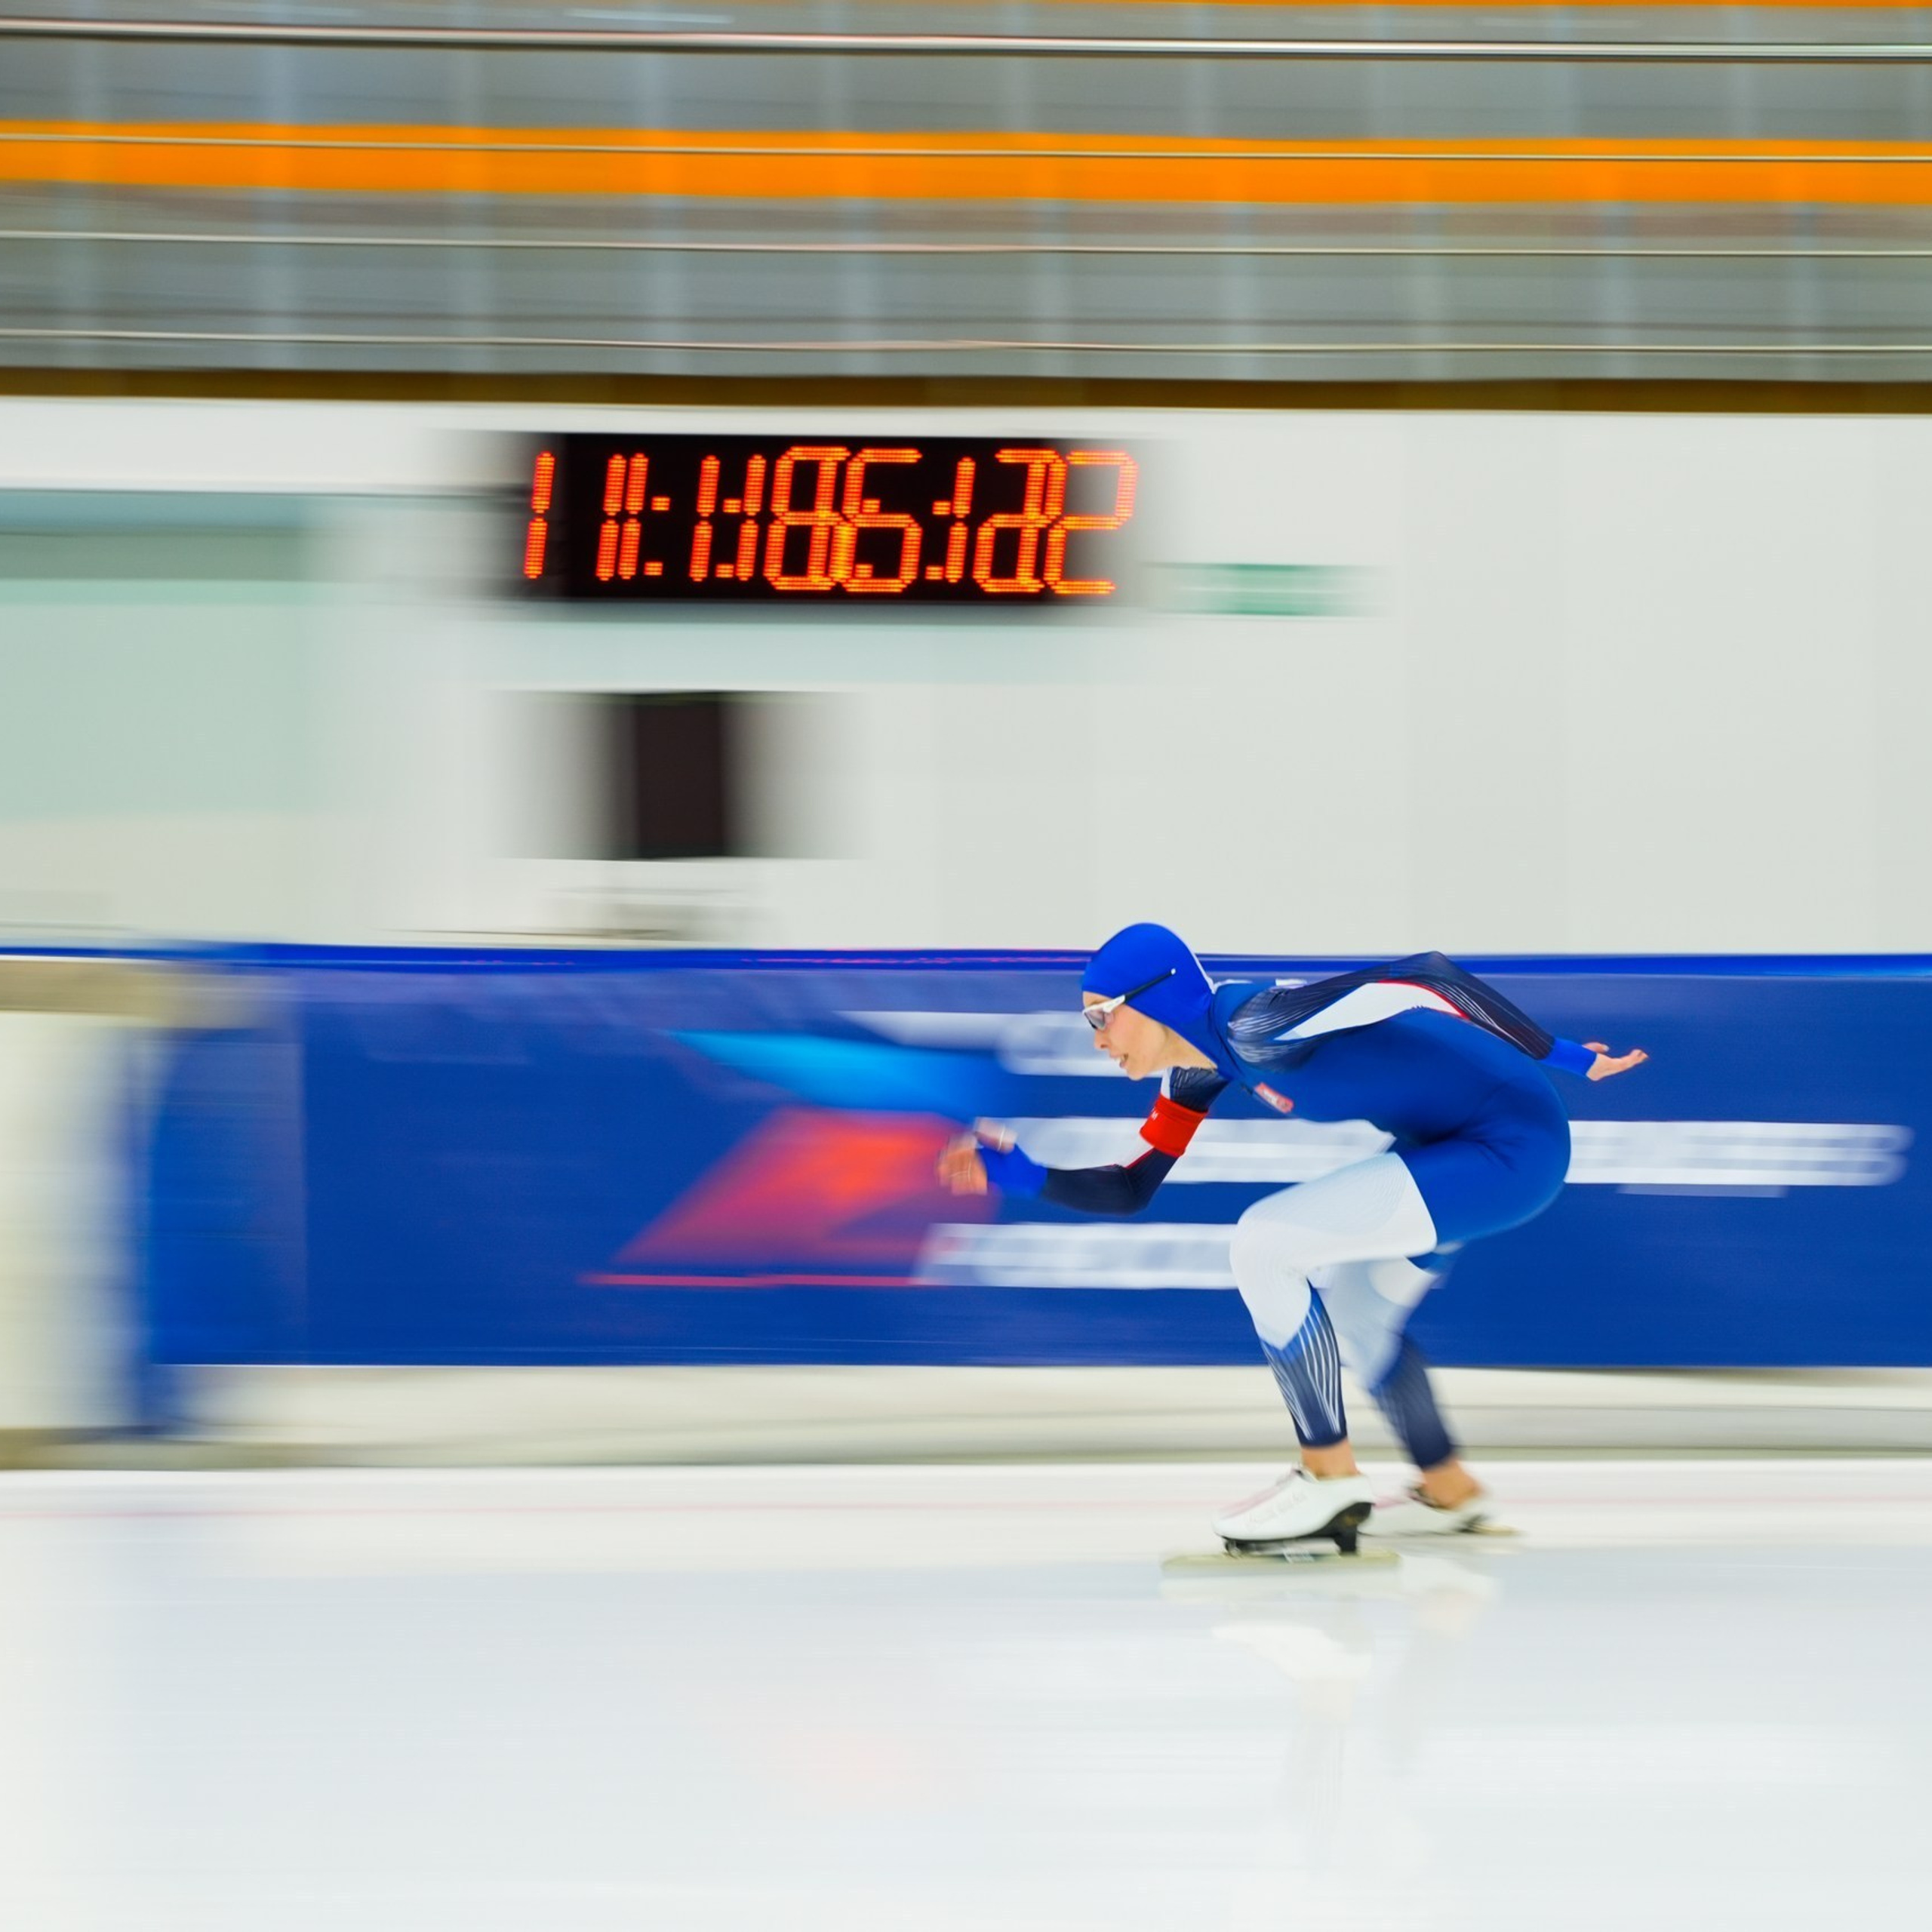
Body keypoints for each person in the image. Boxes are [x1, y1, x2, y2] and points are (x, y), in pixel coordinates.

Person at [937, 924, 1647, 1549]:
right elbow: (1131, 1186)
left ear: (1154, 997)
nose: (1097, 1039)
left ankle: (1329, 1476)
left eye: (1102, 1016)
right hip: (1451, 1147)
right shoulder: (1198, 1070)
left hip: (1510, 1150)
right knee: (1359, 1317)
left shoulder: (1256, 1026)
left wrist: (1568, 1056)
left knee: (1264, 1242)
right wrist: (1023, 1175)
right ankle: (1450, 1490)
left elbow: (1426, 976)